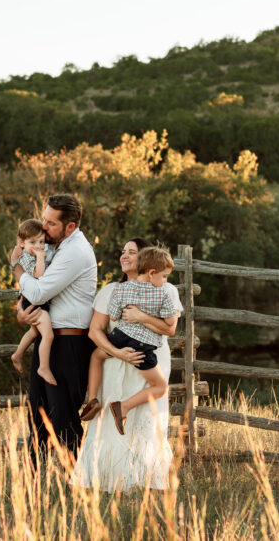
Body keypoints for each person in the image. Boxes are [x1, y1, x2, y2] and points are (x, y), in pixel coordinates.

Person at [72, 238, 181, 492]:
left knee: (147, 419)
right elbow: (96, 330)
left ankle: (145, 478)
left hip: (149, 358)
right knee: (112, 420)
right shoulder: (112, 289)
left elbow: (170, 328)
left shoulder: (167, 289)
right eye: (123, 252)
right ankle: (108, 477)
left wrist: (140, 317)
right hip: (118, 360)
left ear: (146, 259)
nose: (124, 256)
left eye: (131, 252)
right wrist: (118, 353)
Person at [16, 194, 98, 463]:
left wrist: (18, 272)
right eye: (44, 219)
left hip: (70, 345)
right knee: (37, 416)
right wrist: (22, 310)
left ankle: (78, 483)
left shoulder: (76, 251)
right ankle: (31, 485)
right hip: (49, 340)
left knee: (64, 420)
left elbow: (38, 292)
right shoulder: (55, 246)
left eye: (51, 223)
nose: (43, 227)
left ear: (70, 226)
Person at [79, 247, 176, 434]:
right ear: (152, 273)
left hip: (120, 338)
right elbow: (170, 323)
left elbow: (114, 316)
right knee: (160, 387)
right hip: (141, 345)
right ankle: (123, 407)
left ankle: (92, 399)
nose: (165, 281)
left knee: (96, 356)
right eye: (164, 276)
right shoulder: (163, 293)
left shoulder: (121, 288)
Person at [9, 219, 57, 385]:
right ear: (22, 243)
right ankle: (43, 367)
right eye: (33, 242)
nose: (38, 246)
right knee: (48, 334)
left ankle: (17, 354)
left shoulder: (33, 254)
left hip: (34, 300)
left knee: (35, 332)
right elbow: (38, 275)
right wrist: (40, 257)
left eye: (41, 242)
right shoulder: (27, 258)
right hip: (31, 301)